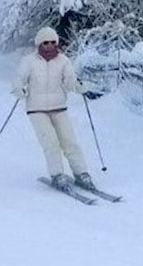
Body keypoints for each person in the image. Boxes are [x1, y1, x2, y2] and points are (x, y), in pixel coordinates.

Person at [13, 26, 95, 191]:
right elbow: (18, 78)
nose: (49, 46)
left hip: (59, 107)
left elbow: (70, 81)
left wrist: (80, 87)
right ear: (39, 44)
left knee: (69, 141)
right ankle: (57, 175)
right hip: (37, 109)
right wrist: (19, 89)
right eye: (45, 43)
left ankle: (81, 173)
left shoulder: (63, 61)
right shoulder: (29, 61)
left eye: (52, 42)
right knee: (50, 143)